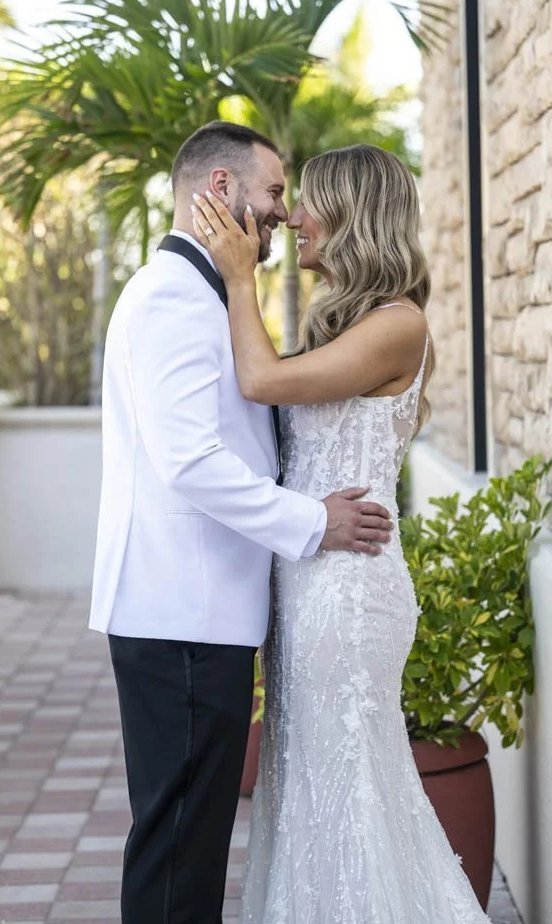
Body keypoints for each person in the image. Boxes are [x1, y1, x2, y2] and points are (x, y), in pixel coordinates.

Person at [88, 122, 394, 924]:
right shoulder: (173, 298)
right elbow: (189, 461)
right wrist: (310, 524)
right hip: (182, 613)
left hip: (198, 612)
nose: (282, 214)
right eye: (271, 194)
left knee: (189, 840)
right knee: (179, 845)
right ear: (220, 193)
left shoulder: (202, 294)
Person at [191, 144, 491, 923]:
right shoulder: (341, 324)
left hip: (348, 595)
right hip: (306, 584)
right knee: (305, 788)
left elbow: (260, 380)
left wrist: (235, 275)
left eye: (308, 200)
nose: (291, 215)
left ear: (355, 215)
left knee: (349, 786)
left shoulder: (399, 325)